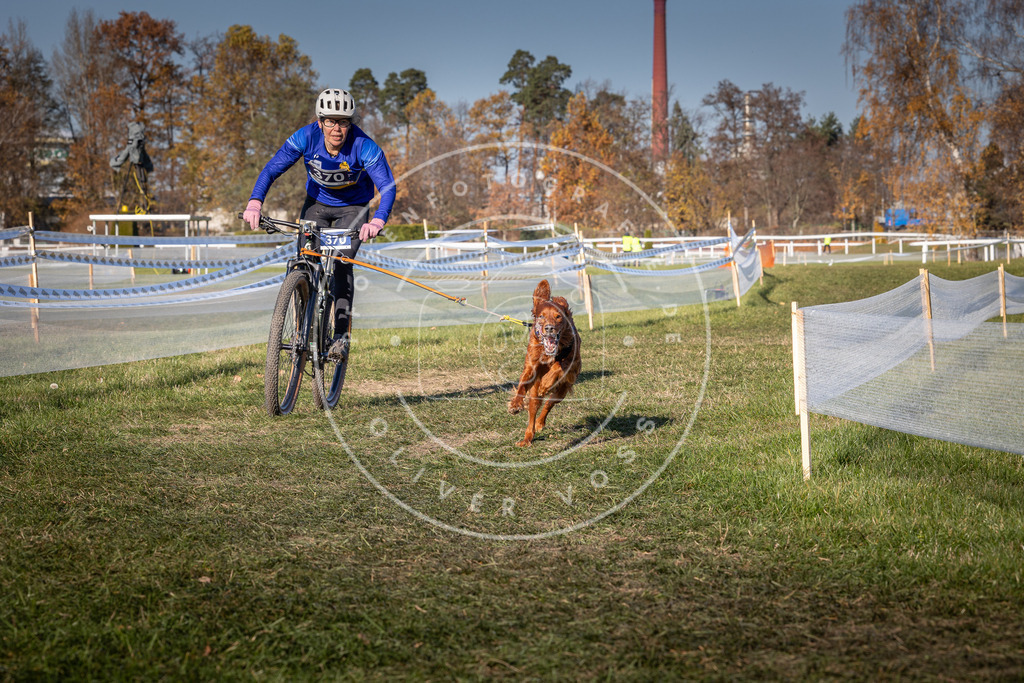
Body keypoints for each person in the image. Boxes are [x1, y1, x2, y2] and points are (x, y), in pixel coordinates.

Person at [243, 88, 396, 362]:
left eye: (344, 122)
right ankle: (301, 326)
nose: (337, 129)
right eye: (330, 121)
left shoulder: (365, 146)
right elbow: (271, 169)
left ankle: (340, 336)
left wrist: (377, 220)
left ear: (352, 123)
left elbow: (387, 186)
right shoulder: (305, 137)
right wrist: (255, 202)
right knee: (304, 261)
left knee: (340, 263)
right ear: (320, 121)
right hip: (317, 205)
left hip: (354, 208)